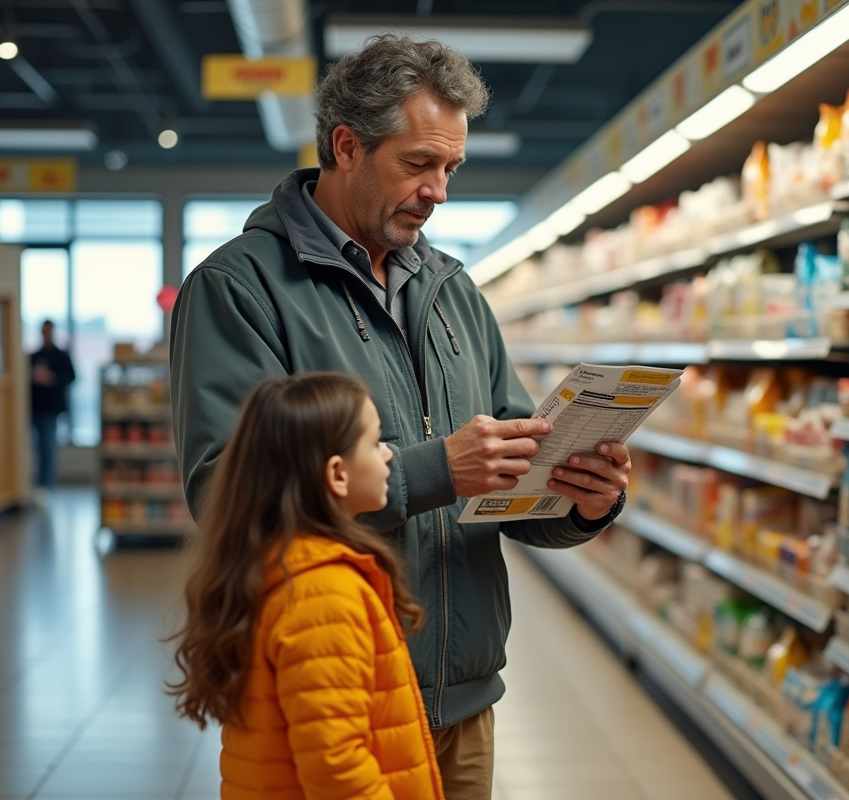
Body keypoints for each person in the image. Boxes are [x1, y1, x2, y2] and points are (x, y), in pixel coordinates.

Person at [170, 35, 630, 800]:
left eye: (451, 168)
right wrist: (432, 471)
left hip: (466, 702)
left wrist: (582, 498)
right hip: (334, 696)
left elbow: (512, 470)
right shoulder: (240, 290)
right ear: (346, 147)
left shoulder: (454, 292)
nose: (439, 191)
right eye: (418, 164)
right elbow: (227, 498)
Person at [168, 372, 444, 799]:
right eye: (375, 443)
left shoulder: (277, 563)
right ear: (337, 474)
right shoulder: (324, 594)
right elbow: (338, 768)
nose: (389, 454)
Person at [30, 319, 75, 504]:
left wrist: (52, 378)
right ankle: (37, 484)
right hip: (34, 408)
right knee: (36, 447)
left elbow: (71, 377)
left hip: (51, 410)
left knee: (48, 447)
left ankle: (45, 486)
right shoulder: (34, 356)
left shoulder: (61, 356)